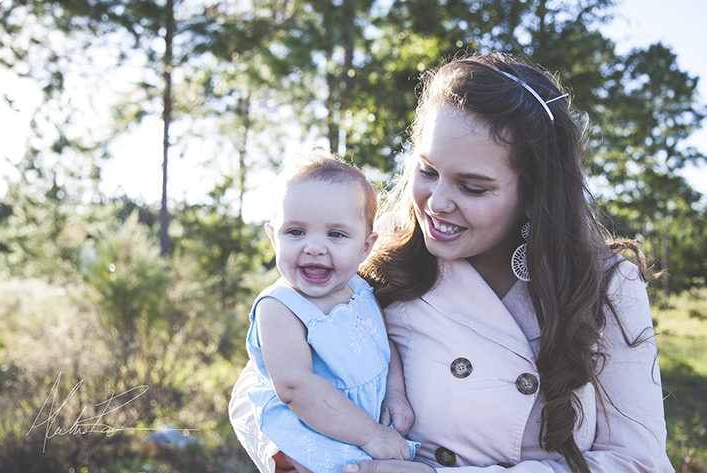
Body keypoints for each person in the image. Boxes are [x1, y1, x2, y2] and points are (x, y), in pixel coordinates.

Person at [230, 52, 674, 472]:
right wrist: (300, 456)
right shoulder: (375, 249)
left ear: (536, 194)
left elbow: (639, 462)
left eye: (473, 188)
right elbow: (260, 387)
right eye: (427, 171)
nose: (437, 203)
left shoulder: (605, 284)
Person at [236, 147, 419, 473]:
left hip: (367, 433)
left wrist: (395, 394)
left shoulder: (361, 290)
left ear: (365, 247)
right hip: (316, 436)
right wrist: (371, 434)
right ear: (273, 238)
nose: (315, 247)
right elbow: (296, 387)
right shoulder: (279, 308)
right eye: (296, 231)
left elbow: (382, 343)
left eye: (336, 234)